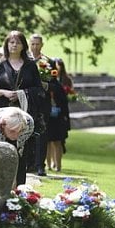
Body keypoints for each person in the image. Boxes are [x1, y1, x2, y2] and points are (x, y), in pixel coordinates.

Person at [0, 30, 45, 183]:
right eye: (11, 42)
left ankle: (19, 188)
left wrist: (21, 93)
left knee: (20, 151)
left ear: (23, 46)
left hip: (22, 116)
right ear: (6, 44)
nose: (14, 45)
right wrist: (5, 93)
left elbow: (38, 89)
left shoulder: (30, 66)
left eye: (17, 42)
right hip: (1, 114)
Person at [28, 33, 54, 176]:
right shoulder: (24, 60)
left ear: (42, 45)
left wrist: (46, 85)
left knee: (42, 133)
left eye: (37, 44)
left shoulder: (49, 62)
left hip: (43, 102)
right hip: (29, 100)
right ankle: (28, 163)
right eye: (32, 44)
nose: (35, 47)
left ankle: (40, 165)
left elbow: (55, 84)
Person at [45, 63, 70, 172]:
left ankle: (58, 166)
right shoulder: (44, 85)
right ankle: (48, 165)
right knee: (47, 142)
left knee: (57, 142)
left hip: (58, 118)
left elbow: (64, 104)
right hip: (47, 117)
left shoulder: (58, 87)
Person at [54, 57, 72, 155]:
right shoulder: (50, 77)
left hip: (62, 108)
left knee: (60, 138)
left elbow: (71, 92)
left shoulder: (66, 79)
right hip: (52, 108)